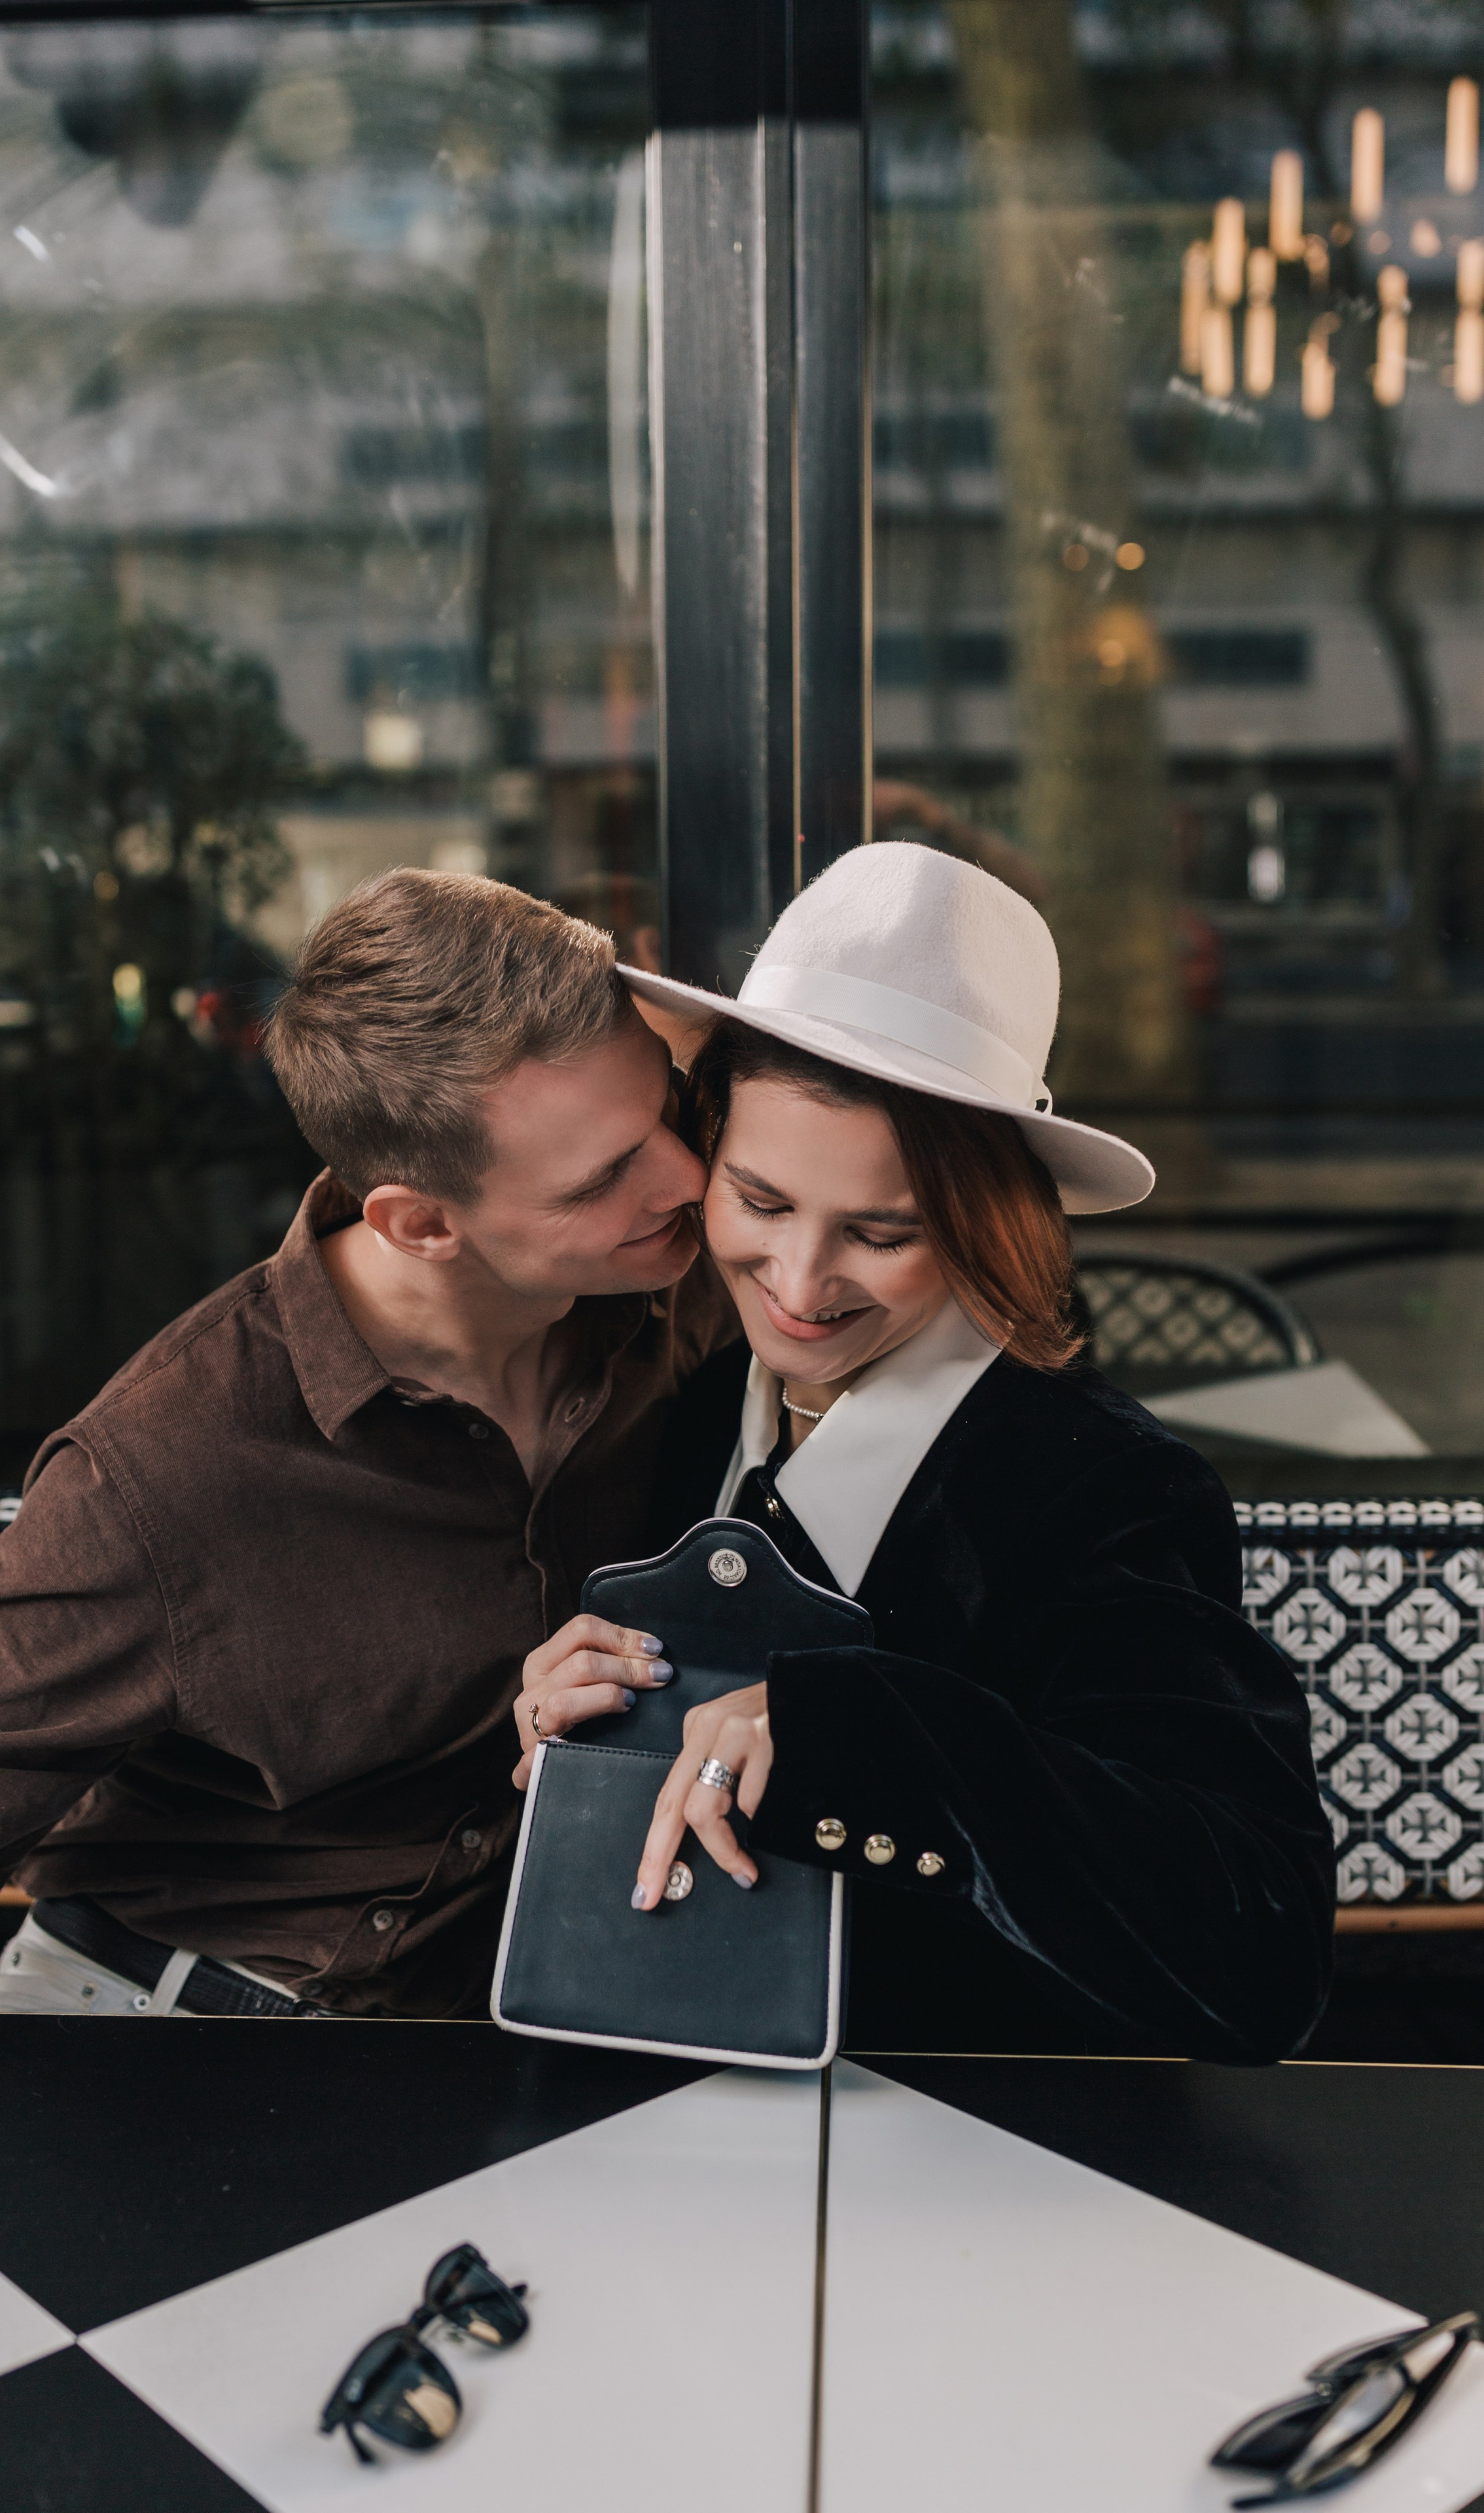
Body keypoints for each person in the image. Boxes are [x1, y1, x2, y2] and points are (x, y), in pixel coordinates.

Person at [0, 870, 726, 2025]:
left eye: (670, 1114)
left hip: (467, 2047)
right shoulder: (166, 1467)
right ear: (422, 1223)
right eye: (604, 1179)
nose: (687, 1180)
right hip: (154, 2037)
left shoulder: (670, 1294)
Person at [514, 844, 1334, 2063]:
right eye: (762, 1201)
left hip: (1004, 2163)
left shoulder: (1103, 1491)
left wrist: (879, 1743)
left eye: (882, 1233)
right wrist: (573, 1744)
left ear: (981, 1221)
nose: (795, 1288)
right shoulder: (693, 1423)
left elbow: (1254, 1952)